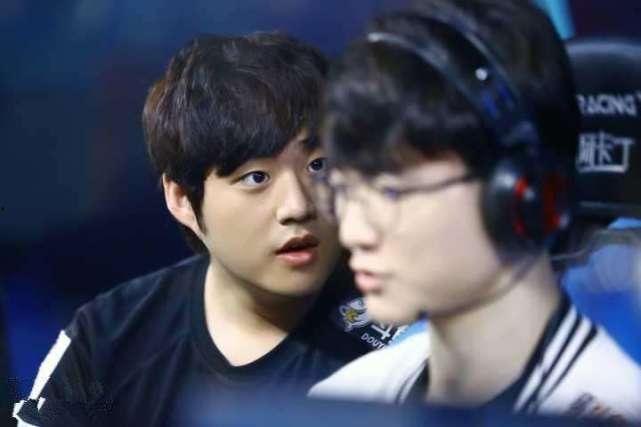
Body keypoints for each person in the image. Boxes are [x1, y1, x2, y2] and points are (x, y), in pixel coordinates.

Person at [14, 32, 398, 427]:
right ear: (182, 199)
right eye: (256, 177)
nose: (298, 206)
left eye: (318, 165)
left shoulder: (403, 333)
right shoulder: (110, 335)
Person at [308, 0, 641, 422]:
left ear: (520, 193)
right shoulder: (340, 402)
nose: (353, 231)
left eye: (391, 192)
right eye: (343, 190)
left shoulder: (616, 410)